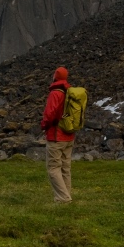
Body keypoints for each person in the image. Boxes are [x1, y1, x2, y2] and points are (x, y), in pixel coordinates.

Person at [41, 66, 74, 203]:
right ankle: (66, 195)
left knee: (53, 168)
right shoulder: (69, 92)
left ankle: (63, 199)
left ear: (55, 76)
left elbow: (50, 114)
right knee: (65, 168)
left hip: (56, 136)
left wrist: (43, 125)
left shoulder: (56, 93)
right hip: (69, 135)